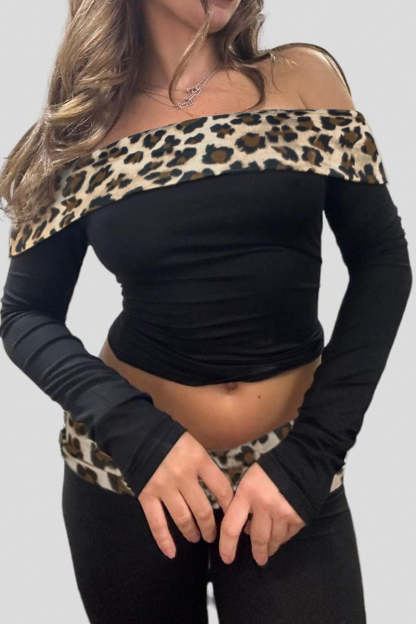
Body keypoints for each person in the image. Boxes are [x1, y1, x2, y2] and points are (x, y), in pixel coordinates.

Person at [0, 1, 412, 623]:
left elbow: (383, 265)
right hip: (130, 478)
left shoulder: (303, 80)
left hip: (290, 467)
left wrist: (313, 454)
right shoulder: (86, 125)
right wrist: (139, 437)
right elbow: (25, 314)